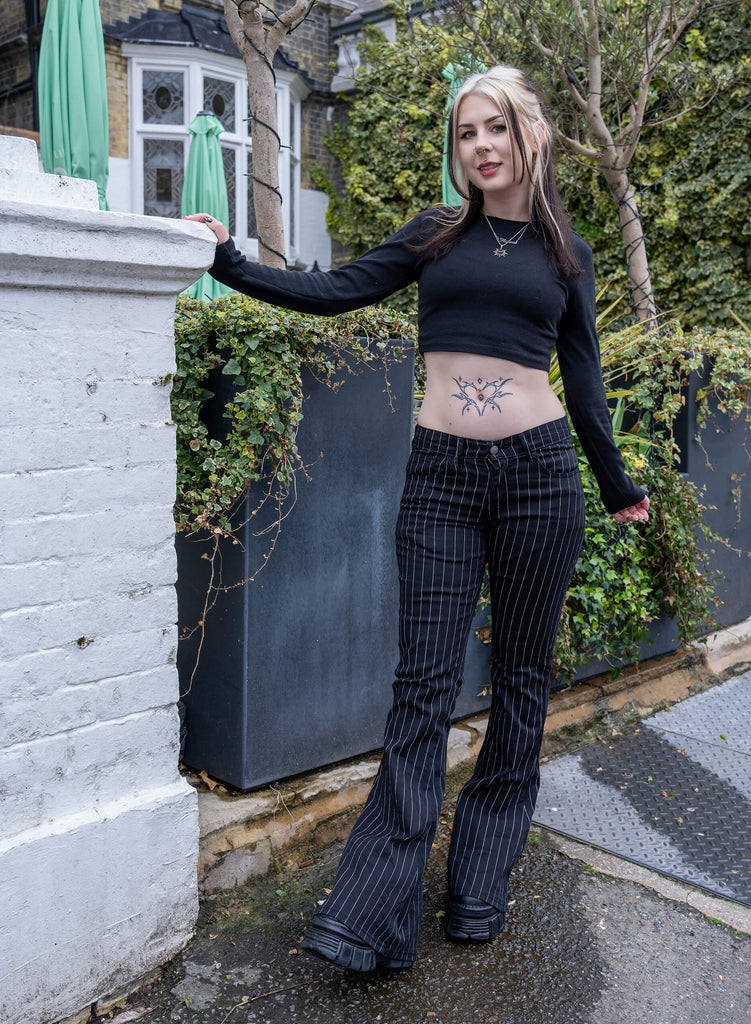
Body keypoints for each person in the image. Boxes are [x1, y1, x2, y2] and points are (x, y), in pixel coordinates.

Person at [185, 65, 650, 973]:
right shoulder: (434, 236)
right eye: (467, 132)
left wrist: (617, 483)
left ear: (531, 137)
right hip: (439, 478)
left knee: (520, 681)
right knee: (422, 690)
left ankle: (479, 880)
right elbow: (336, 290)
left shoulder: (569, 253)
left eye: (496, 129)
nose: (480, 145)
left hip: (541, 476)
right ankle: (370, 915)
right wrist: (229, 260)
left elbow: (585, 383)